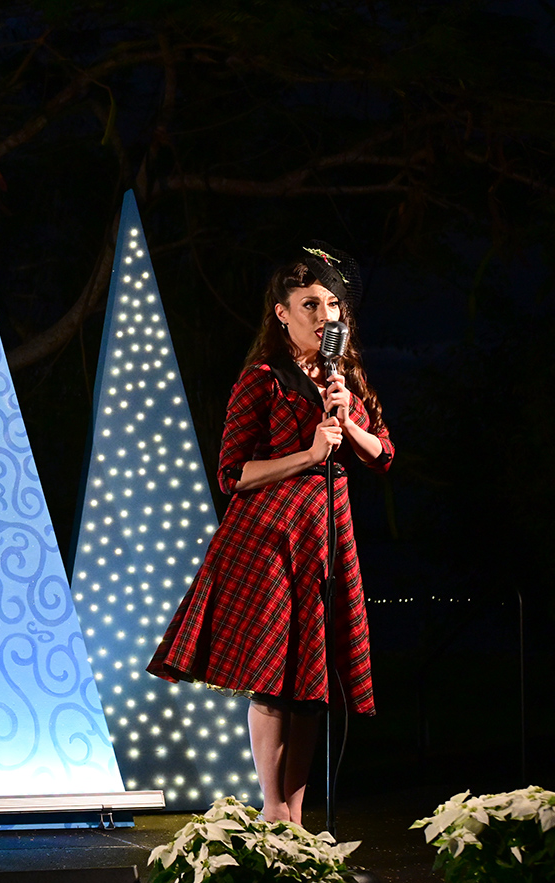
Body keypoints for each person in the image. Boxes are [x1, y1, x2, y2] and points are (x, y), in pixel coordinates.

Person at [148, 245, 394, 825]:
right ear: (282, 313)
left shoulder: (343, 382)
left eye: (332, 304)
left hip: (326, 538)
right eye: (309, 304)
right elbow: (232, 474)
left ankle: (296, 817)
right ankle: (273, 808)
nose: (324, 315)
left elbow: (383, 455)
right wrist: (308, 453)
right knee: (273, 681)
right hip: (270, 540)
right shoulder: (263, 379)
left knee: (310, 686)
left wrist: (347, 422)